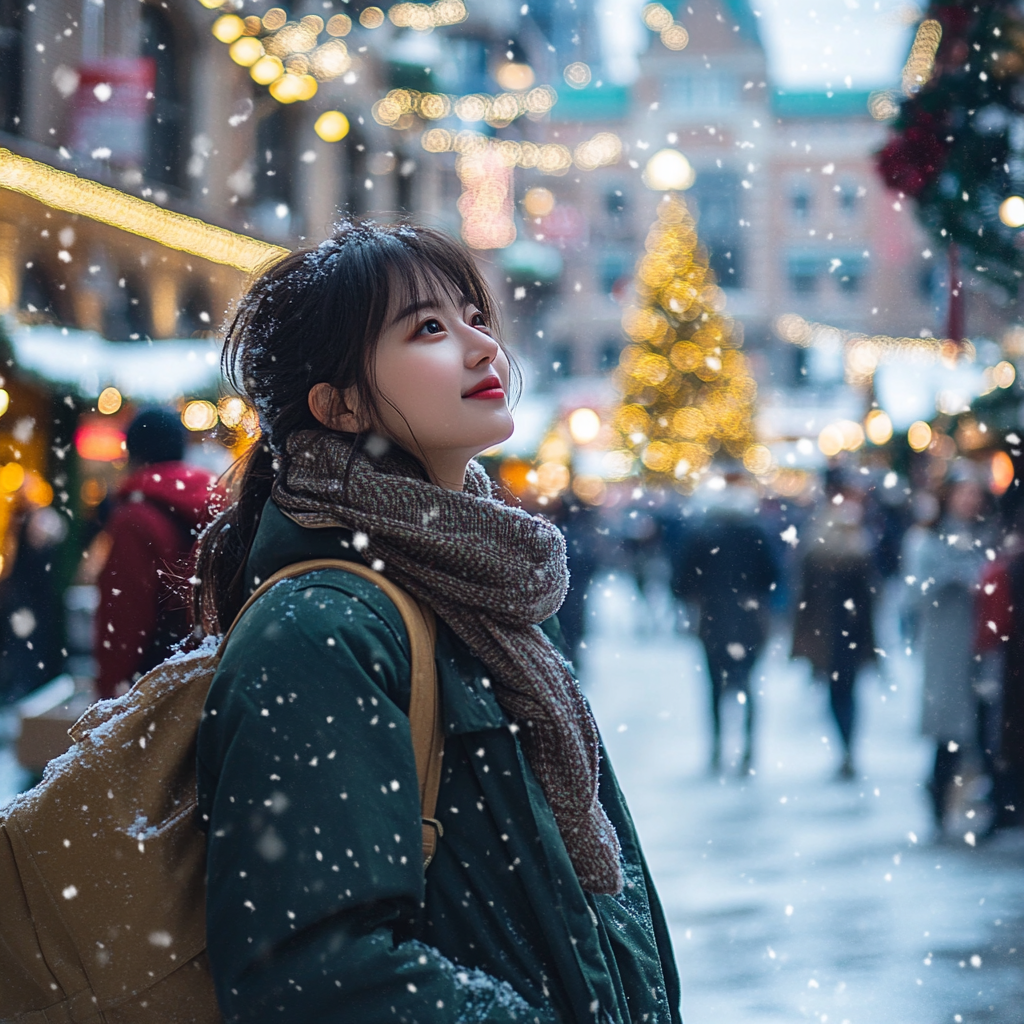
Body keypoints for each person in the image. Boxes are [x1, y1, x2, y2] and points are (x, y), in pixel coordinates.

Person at [191, 224, 681, 1024]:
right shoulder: (322, 630)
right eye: (428, 328)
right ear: (340, 404)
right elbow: (315, 974)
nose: (483, 346)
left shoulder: (482, 587)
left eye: (473, 316)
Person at [93, 408, 222, 699]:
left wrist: (108, 690)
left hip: (156, 682)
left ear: (133, 453)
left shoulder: (135, 518)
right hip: (208, 674)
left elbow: (124, 616)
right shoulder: (215, 504)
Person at [671, 474, 778, 773]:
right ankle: (747, 749)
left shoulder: (703, 533)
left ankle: (718, 748)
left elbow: (681, 580)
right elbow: (773, 575)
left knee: (714, 685)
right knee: (747, 684)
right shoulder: (756, 532)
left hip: (712, 618)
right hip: (749, 618)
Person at [910, 468, 990, 832]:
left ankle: (982, 800)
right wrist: (953, 576)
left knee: (984, 725)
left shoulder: (987, 535)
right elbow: (916, 593)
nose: (969, 501)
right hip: (946, 647)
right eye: (963, 493)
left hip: (984, 648)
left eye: (975, 494)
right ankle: (939, 798)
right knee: (950, 732)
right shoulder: (927, 540)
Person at [791, 482, 877, 779]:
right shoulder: (858, 548)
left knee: (837, 694)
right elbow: (868, 601)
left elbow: (805, 599)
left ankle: (846, 748)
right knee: (847, 694)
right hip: (847, 634)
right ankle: (848, 747)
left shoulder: (818, 547)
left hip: (828, 635)